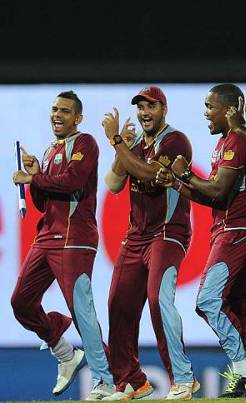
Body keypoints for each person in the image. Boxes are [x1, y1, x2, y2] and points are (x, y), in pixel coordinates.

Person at [157, 83, 246, 398]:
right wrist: (177, 182)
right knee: (233, 306)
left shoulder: (237, 144)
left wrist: (186, 175)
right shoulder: (227, 143)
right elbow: (215, 197)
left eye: (210, 106)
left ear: (231, 109)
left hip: (239, 229)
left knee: (208, 300)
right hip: (228, 227)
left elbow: (217, 190)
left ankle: (243, 370)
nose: (205, 112)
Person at [11, 91, 116, 400]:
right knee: (21, 302)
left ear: (77, 118)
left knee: (82, 311)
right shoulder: (48, 151)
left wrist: (34, 179)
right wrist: (36, 175)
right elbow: (43, 203)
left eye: (65, 111)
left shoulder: (85, 144)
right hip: (47, 237)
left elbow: (74, 182)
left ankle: (107, 380)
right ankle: (65, 352)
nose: (57, 114)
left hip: (75, 238)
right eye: (55, 109)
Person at [100, 86, 199, 400]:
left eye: (151, 106)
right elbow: (114, 184)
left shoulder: (175, 140)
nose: (144, 112)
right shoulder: (135, 146)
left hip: (168, 233)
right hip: (137, 236)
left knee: (158, 300)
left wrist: (117, 141)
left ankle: (183, 378)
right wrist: (124, 147)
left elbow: (153, 176)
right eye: (140, 107)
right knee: (118, 304)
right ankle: (131, 381)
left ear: (164, 110)